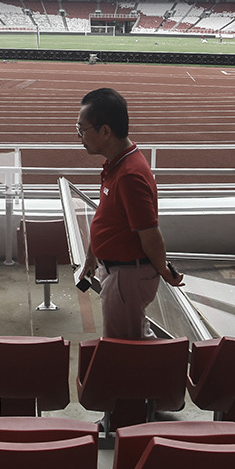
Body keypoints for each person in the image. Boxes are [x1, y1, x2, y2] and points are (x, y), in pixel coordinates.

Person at [77, 87, 184, 339]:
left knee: (124, 347)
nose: (79, 136)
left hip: (126, 277)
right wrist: (92, 257)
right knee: (131, 340)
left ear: (105, 131)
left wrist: (165, 271)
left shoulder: (129, 175)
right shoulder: (117, 163)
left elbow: (151, 236)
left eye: (82, 129)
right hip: (118, 272)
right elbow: (107, 216)